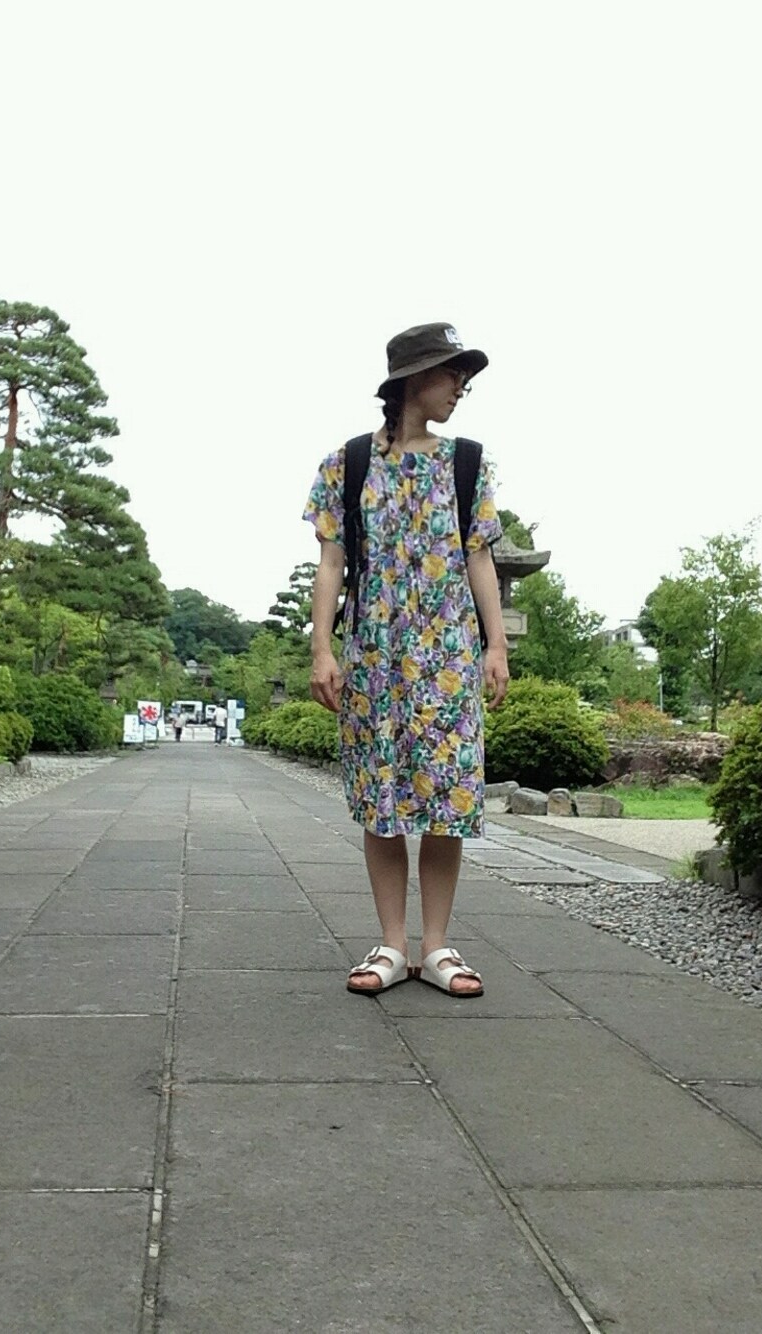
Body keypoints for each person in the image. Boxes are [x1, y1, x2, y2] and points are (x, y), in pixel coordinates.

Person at [304, 322, 509, 998]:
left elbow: (480, 557)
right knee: (381, 800)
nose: (461, 387)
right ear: (412, 379)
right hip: (376, 657)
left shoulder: (468, 463)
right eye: (452, 373)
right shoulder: (348, 463)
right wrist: (322, 648)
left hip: (447, 657)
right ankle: (393, 944)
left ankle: (437, 945)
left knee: (448, 799)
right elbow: (331, 563)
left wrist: (496, 644)